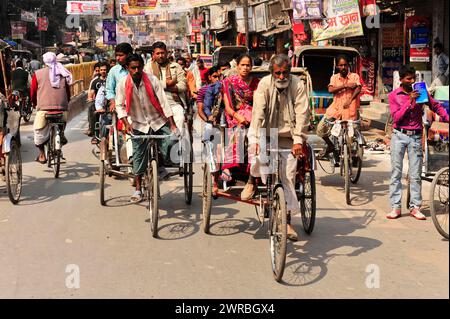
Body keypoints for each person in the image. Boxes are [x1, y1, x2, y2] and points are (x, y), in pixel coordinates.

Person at [248, 54, 310, 241]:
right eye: (278, 73)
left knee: (289, 176)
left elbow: (303, 112)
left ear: (289, 71)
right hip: (268, 134)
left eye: (285, 73)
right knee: (262, 164)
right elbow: (258, 112)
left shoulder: (297, 84)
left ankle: (287, 220)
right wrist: (255, 139)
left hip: (290, 137)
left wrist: (298, 140)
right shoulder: (264, 84)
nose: (282, 77)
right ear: (272, 73)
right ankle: (255, 184)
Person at [387, 65, 449, 220]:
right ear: (401, 80)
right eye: (409, 78)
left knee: (415, 174)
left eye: (414, 77)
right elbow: (396, 118)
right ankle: (395, 207)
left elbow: (435, 105)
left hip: (415, 136)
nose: (412, 81)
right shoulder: (394, 95)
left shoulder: (421, 92)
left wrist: (446, 117)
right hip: (399, 135)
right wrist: (410, 101)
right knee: (396, 173)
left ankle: (415, 206)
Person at [115, 54, 180, 203]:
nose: (136, 70)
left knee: (170, 142)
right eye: (133, 68)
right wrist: (126, 123)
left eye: (139, 67)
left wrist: (172, 124)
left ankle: (161, 163)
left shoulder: (152, 80)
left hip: (157, 120)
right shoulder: (122, 84)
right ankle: (137, 189)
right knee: (138, 156)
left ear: (142, 67)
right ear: (127, 68)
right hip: (138, 123)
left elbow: (164, 102)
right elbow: (119, 105)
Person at [220, 54, 260, 200]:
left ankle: (256, 172)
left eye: (248, 65)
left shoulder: (257, 82)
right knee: (239, 133)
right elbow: (228, 108)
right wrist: (239, 117)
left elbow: (259, 103)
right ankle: (229, 168)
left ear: (251, 67)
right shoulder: (229, 82)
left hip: (254, 115)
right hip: (235, 117)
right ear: (237, 66)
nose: (245, 68)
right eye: (242, 65)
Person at [316, 54, 362, 158]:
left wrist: (350, 100)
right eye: (341, 65)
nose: (343, 67)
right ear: (337, 66)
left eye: (345, 65)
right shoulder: (334, 77)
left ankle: (350, 156)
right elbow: (331, 89)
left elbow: (358, 88)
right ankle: (330, 145)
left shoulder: (354, 76)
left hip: (350, 111)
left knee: (351, 138)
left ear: (348, 65)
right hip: (335, 110)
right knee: (320, 129)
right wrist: (345, 85)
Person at [30, 52, 72, 164]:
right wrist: (65, 103)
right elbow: (68, 93)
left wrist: (34, 104)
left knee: (38, 131)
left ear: (44, 61)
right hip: (62, 108)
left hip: (44, 109)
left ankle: (42, 155)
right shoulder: (62, 72)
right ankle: (61, 133)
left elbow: (33, 93)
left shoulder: (37, 74)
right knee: (63, 120)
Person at [144, 41, 187, 133]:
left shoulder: (175, 66)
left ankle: (177, 145)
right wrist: (167, 83)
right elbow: (148, 85)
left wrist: (164, 87)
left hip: (173, 103)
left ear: (166, 53)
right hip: (154, 105)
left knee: (180, 118)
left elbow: (183, 86)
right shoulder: (148, 68)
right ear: (153, 54)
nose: (160, 56)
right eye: (158, 53)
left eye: (162, 53)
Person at [105, 43, 133, 112]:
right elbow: (109, 89)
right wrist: (113, 102)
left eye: (121, 55)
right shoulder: (114, 71)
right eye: (116, 55)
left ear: (129, 55)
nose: (117, 58)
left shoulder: (137, 69)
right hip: (119, 108)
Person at [87, 62, 109, 144]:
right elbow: (91, 93)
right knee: (91, 108)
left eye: (105, 70)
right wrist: (90, 98)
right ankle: (94, 135)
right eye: (102, 70)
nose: (103, 71)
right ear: (99, 71)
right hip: (97, 104)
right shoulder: (95, 81)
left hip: (109, 102)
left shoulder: (110, 80)